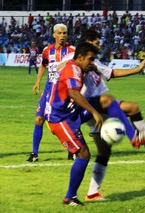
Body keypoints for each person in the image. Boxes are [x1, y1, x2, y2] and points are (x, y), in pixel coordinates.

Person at [62, 29, 145, 201]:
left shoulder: (94, 61)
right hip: (91, 105)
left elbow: (112, 73)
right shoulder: (75, 59)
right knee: (126, 106)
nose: (99, 46)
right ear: (87, 44)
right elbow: (62, 70)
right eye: (97, 43)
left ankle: (92, 192)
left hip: (99, 109)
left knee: (104, 151)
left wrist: (138, 69)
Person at [45, 42, 102, 206]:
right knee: (83, 153)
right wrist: (94, 113)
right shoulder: (72, 70)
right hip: (59, 118)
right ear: (80, 57)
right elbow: (73, 93)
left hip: (69, 114)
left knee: (103, 102)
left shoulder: (76, 68)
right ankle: (70, 197)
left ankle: (105, 129)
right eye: (90, 59)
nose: (92, 62)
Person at [26, 24, 76, 162]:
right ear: (54, 35)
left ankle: (72, 150)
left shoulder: (72, 51)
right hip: (49, 89)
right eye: (60, 33)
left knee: (67, 121)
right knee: (38, 119)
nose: (62, 36)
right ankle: (34, 154)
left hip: (64, 91)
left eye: (65, 33)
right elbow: (43, 64)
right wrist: (38, 82)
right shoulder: (47, 50)